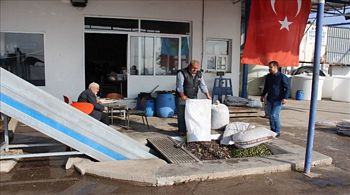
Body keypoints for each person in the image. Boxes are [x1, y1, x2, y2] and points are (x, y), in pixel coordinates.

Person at [176, 60, 211, 136]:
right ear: (189, 66)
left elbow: (202, 85)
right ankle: (182, 131)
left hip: (193, 97)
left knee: (192, 114)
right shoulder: (181, 73)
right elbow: (179, 86)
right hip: (182, 97)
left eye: (197, 68)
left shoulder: (199, 74)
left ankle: (190, 130)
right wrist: (182, 96)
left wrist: (208, 95)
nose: (195, 70)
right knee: (182, 115)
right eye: (193, 68)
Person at [260, 61, 290, 137]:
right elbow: (266, 87)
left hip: (278, 99)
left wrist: (285, 98)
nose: (269, 69)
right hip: (270, 99)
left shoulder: (282, 77)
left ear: (276, 67)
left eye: (271, 67)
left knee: (274, 115)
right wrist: (263, 95)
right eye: (269, 67)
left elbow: (287, 88)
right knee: (270, 115)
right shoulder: (268, 77)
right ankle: (272, 130)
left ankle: (277, 131)